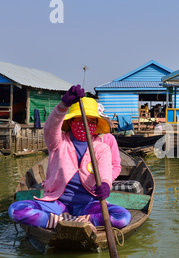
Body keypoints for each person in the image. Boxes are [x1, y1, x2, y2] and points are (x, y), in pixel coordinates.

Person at [8, 85, 131, 230]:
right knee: (16, 210)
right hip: (58, 204)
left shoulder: (101, 147)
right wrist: (63, 105)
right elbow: (50, 127)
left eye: (92, 121)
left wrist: (105, 184)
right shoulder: (58, 142)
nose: (87, 125)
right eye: (80, 120)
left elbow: (105, 170)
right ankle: (58, 220)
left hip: (88, 205)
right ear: (71, 122)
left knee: (122, 218)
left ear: (97, 125)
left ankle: (85, 220)